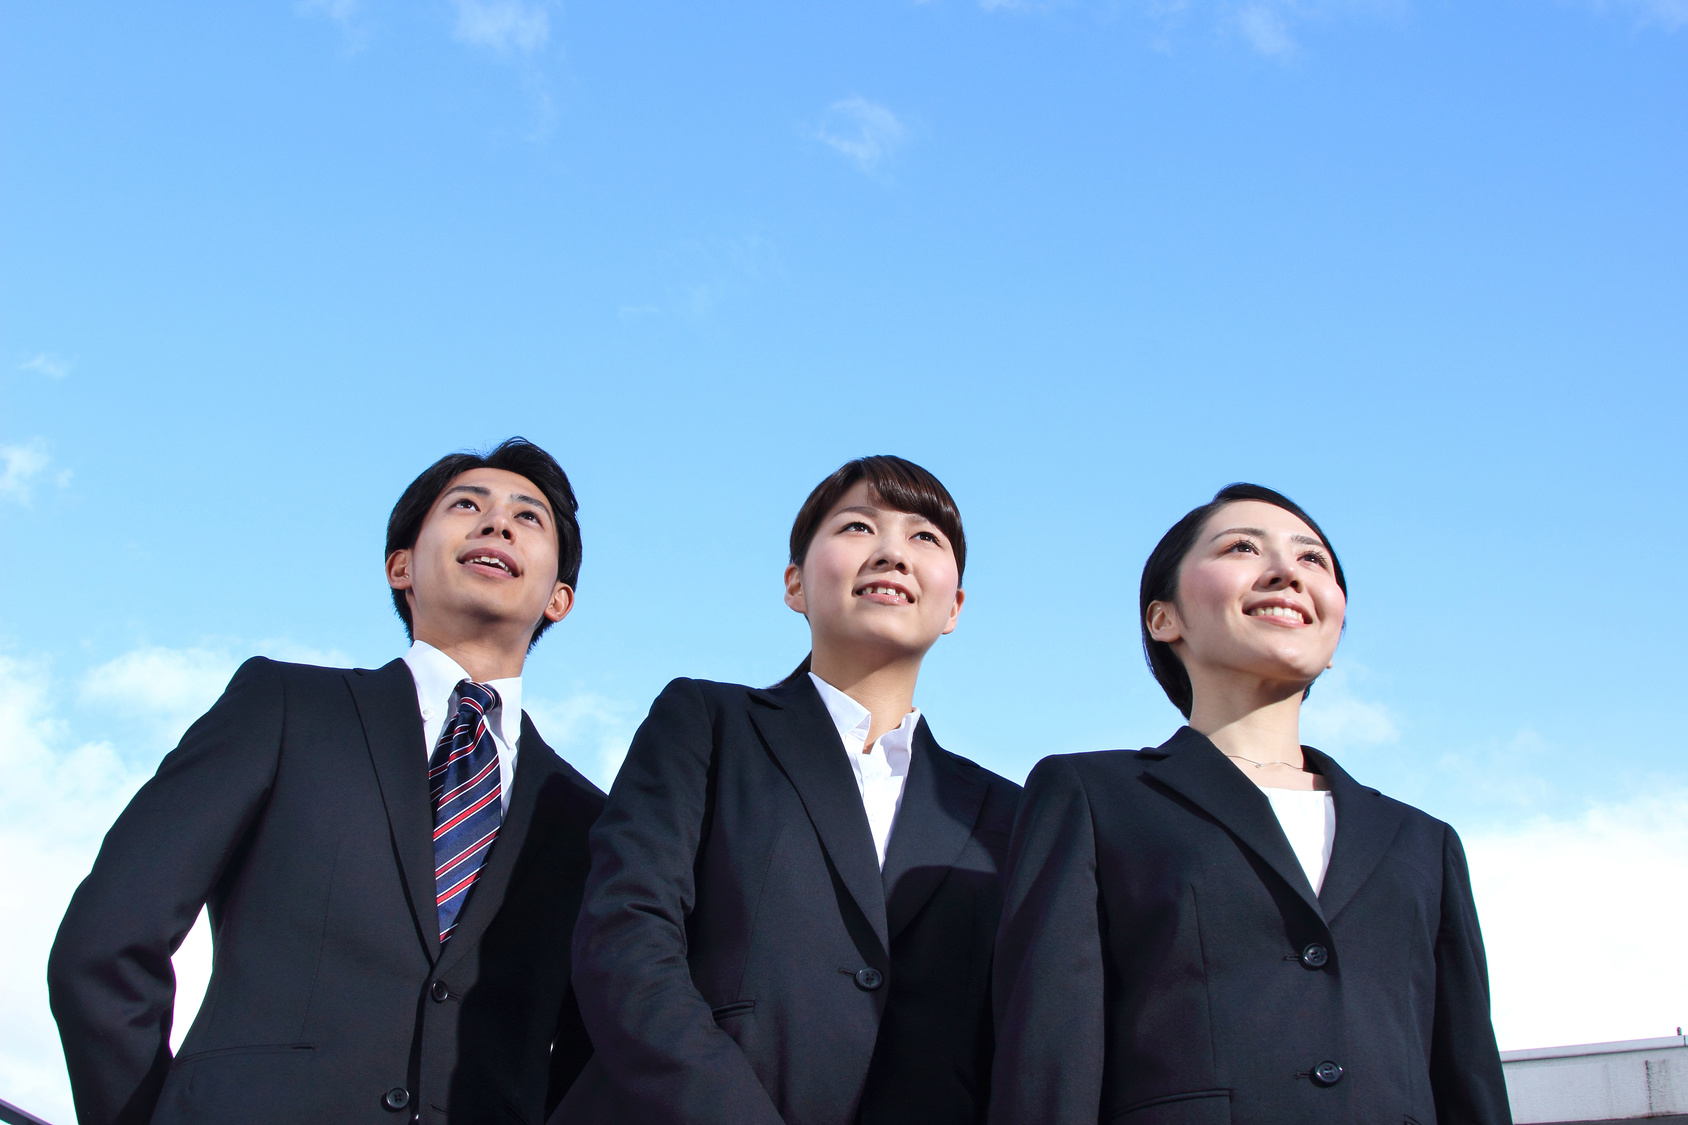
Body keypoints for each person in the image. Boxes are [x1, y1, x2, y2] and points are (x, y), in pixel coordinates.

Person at [48, 438, 606, 1125]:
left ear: (559, 598)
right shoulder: (283, 707)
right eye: (467, 505)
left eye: (529, 517)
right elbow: (105, 944)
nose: (496, 523)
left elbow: (594, 1057)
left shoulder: (592, 819)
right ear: (400, 565)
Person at [990, 483, 1512, 1125]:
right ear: (1164, 618)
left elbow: (1467, 1079)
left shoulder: (1422, 842)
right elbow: (1049, 1057)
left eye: (1313, 559)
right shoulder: (1092, 798)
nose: (1287, 572)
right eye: (1241, 547)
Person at [554, 456, 1022, 1125]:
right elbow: (625, 935)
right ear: (795, 584)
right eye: (858, 526)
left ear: (955, 607)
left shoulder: (1005, 811)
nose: (892, 552)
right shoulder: (706, 724)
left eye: (925, 537)